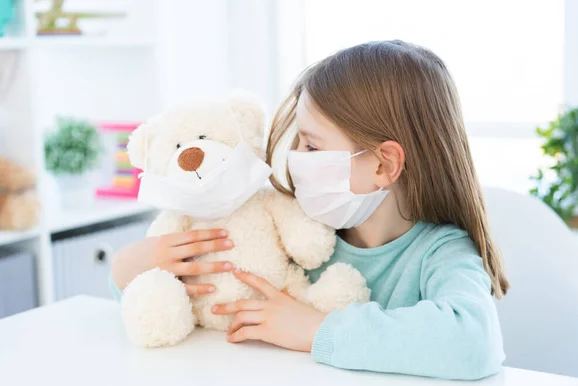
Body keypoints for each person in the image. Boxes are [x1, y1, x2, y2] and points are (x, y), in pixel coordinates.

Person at [110, 40, 508, 380]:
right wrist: (129, 269)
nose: (296, 159)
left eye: (312, 146)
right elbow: (172, 303)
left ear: (384, 165)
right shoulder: (293, 230)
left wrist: (317, 330)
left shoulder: (441, 253)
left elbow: (474, 342)